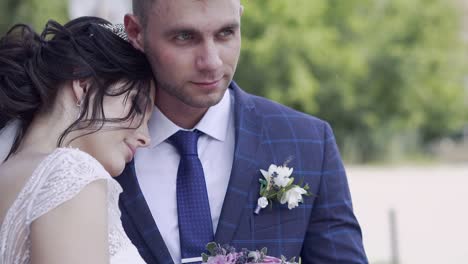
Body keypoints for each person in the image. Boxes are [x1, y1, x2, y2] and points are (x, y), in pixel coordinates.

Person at [118, 0, 368, 263]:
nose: (211, 62)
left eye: (225, 33)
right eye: (184, 37)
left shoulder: (309, 142)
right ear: (136, 32)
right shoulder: (91, 148)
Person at [0, 16, 155, 263]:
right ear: (83, 84)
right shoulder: (72, 175)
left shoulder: (9, 170)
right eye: (137, 106)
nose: (146, 137)